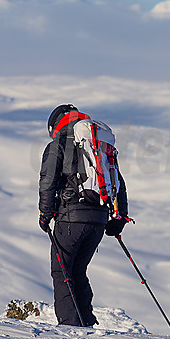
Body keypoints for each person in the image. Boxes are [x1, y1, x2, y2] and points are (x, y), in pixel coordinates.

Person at [38, 104, 129, 327]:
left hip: (71, 218)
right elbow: (119, 183)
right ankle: (86, 322)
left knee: (62, 272)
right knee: (78, 271)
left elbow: (48, 181)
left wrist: (45, 213)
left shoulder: (58, 144)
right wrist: (119, 219)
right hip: (99, 219)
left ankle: (70, 325)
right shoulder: (98, 145)